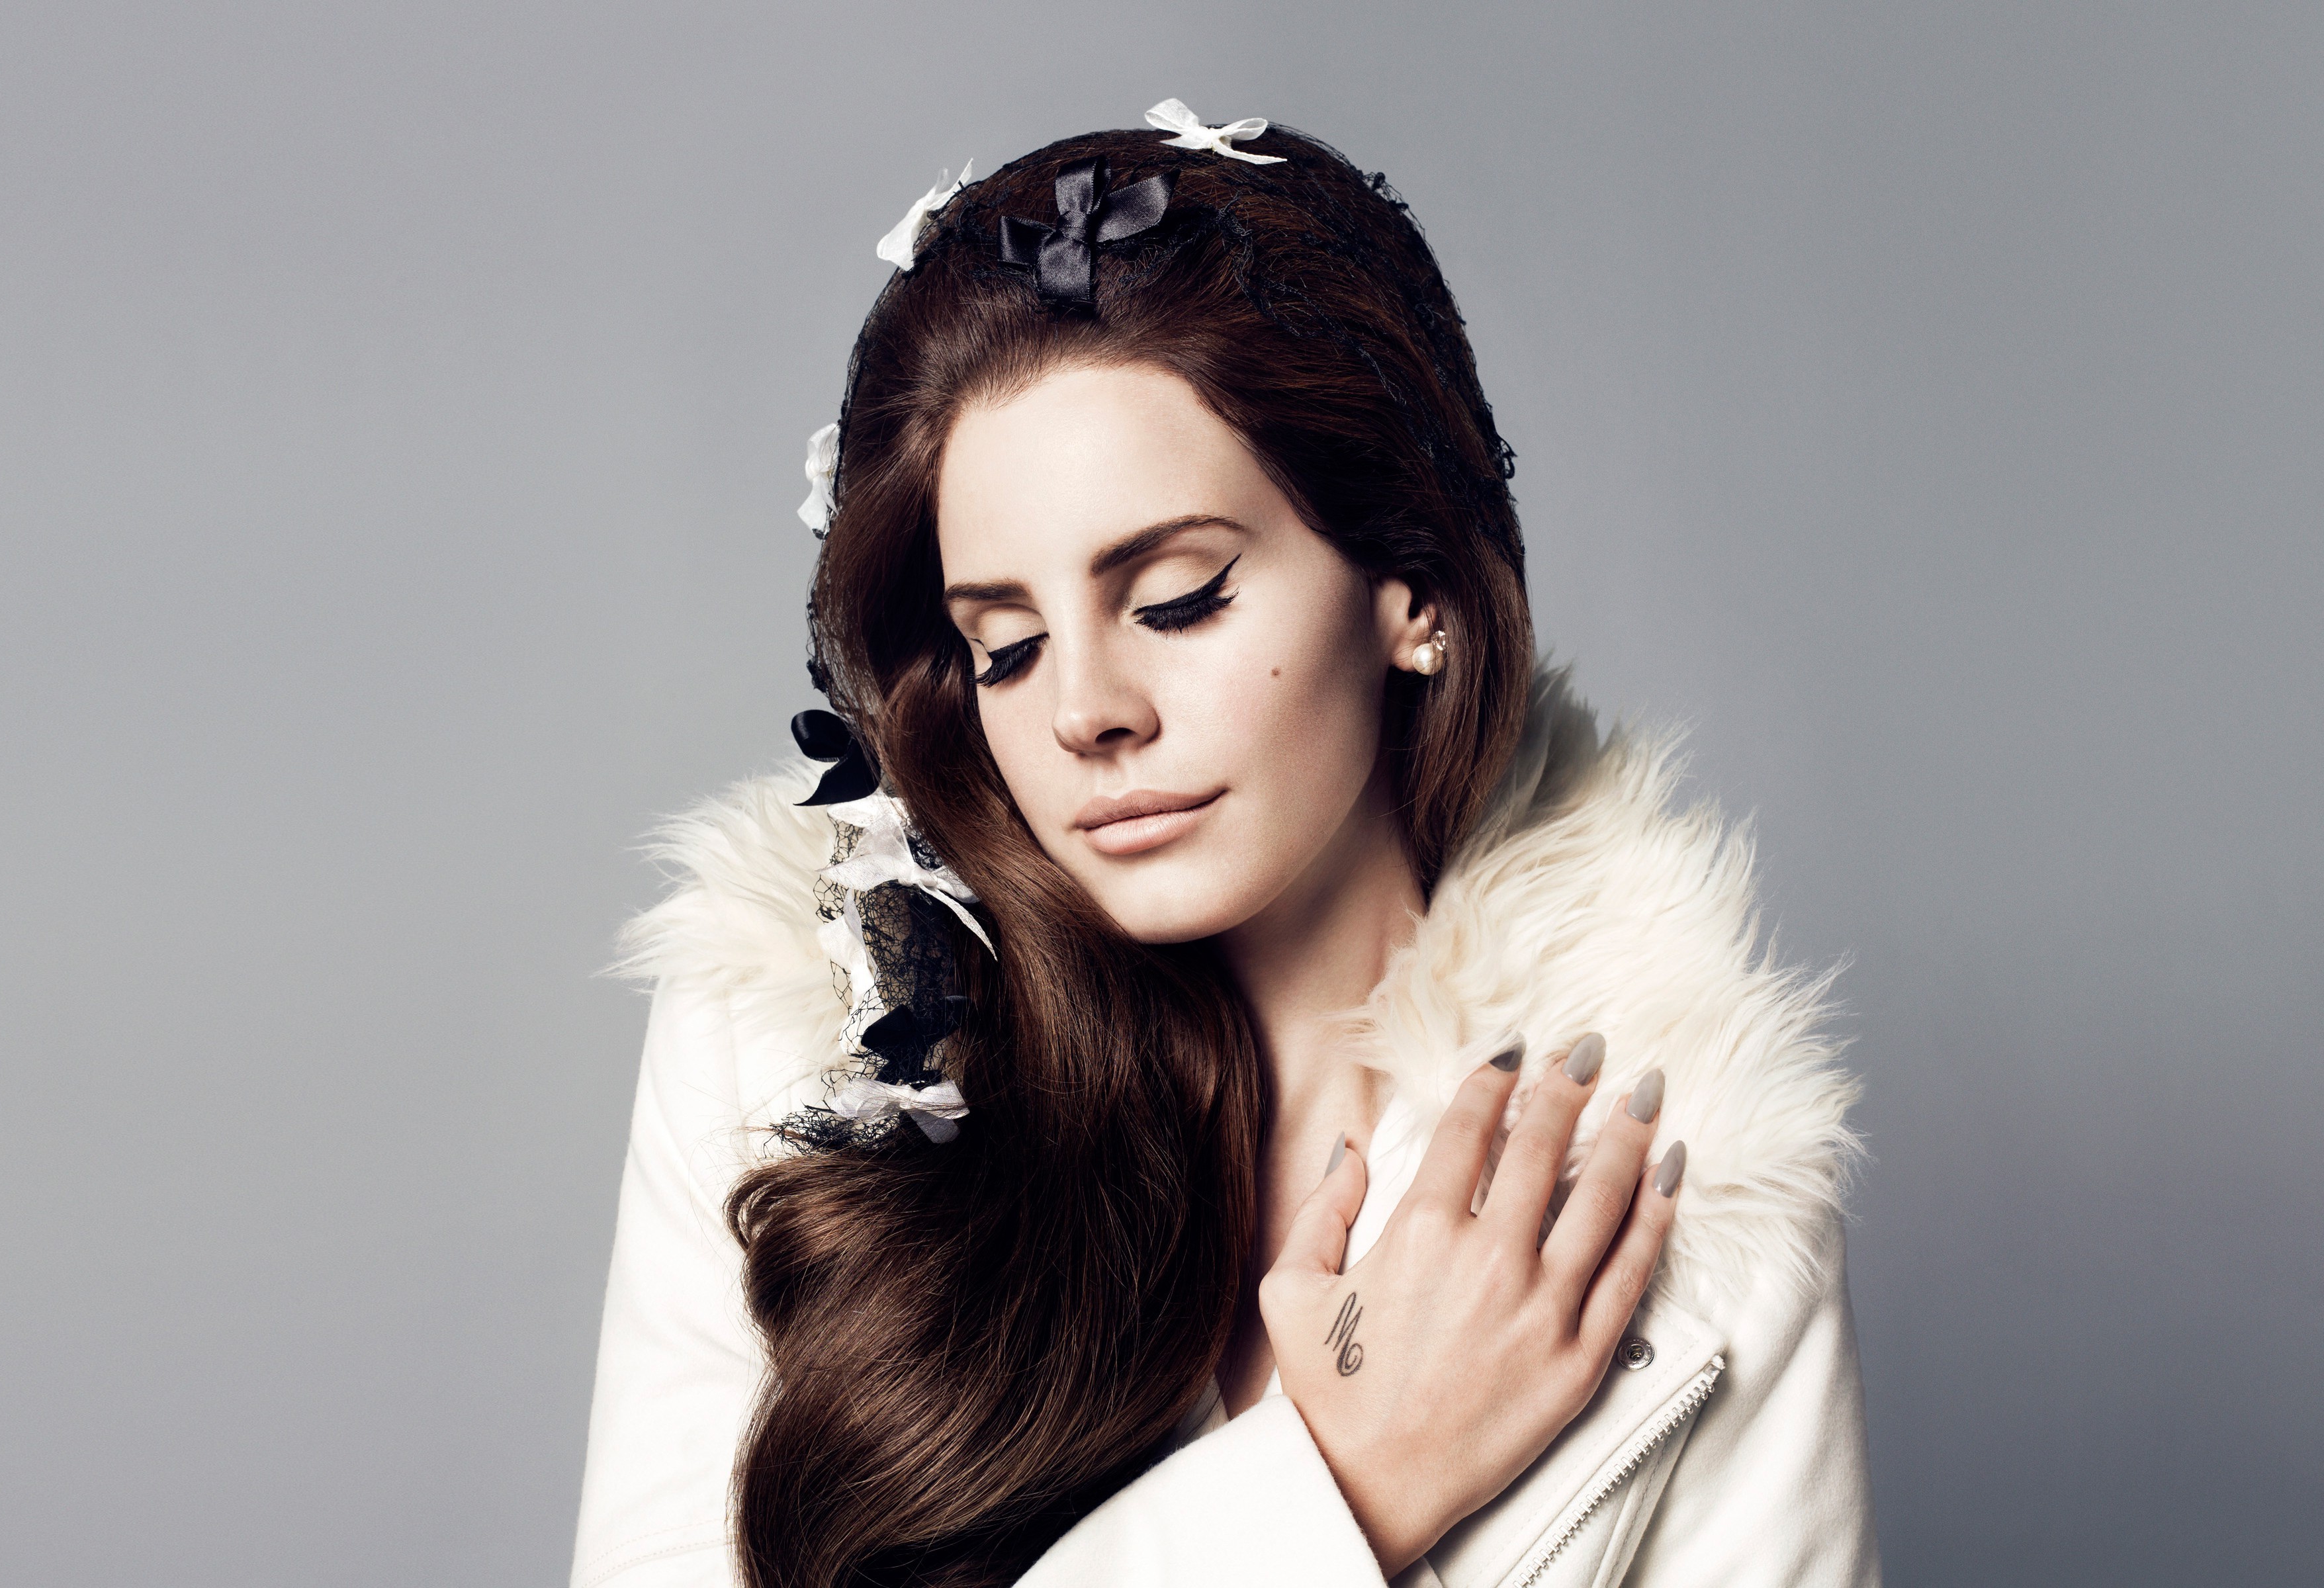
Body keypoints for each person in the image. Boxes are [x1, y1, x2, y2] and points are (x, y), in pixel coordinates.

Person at [572, 105, 1878, 1588]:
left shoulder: (1693, 1179)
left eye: (1179, 599)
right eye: (1006, 646)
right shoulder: (788, 1054)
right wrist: (1343, 1491)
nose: (1086, 712)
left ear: (1413, 588)